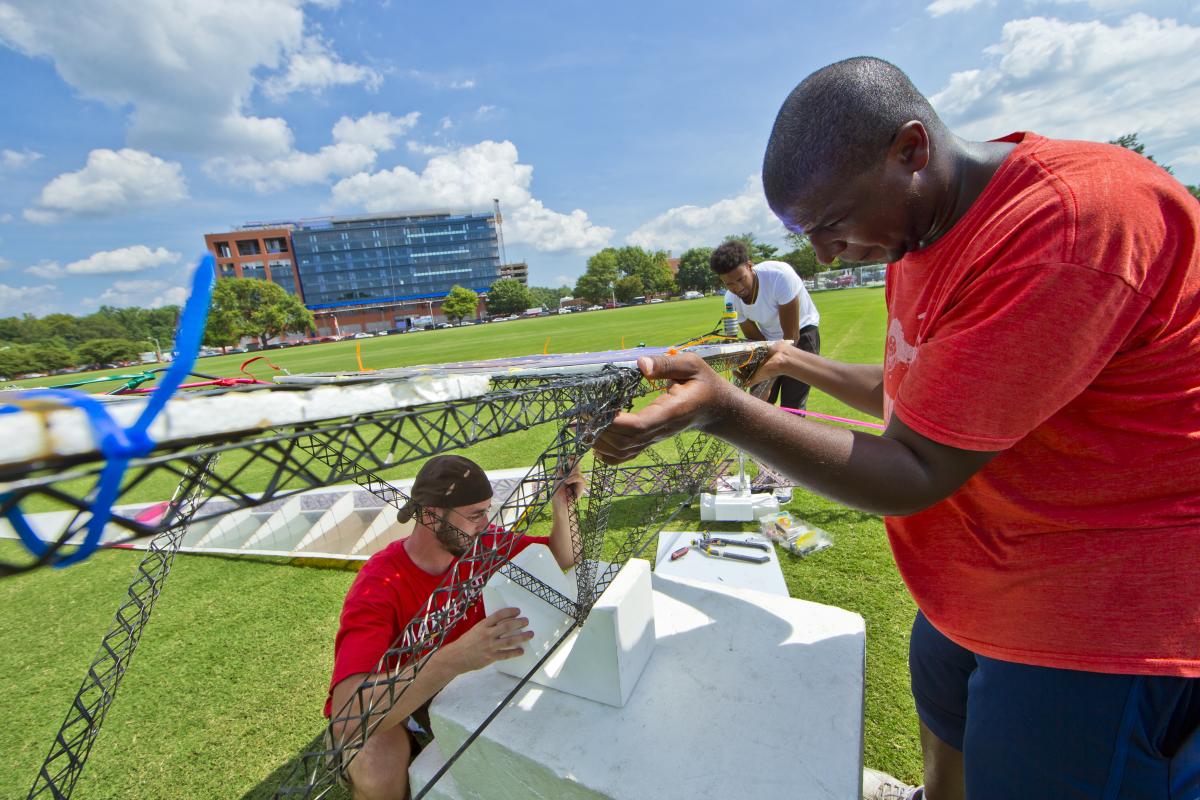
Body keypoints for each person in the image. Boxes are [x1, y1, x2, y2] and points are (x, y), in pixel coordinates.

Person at [592, 56, 1200, 800]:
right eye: (804, 232)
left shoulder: (1069, 224)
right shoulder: (919, 228)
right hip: (977, 578)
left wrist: (725, 408)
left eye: (831, 225)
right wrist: (792, 362)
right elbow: (909, 391)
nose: (819, 255)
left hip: (1097, 613)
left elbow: (914, 468)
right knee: (945, 743)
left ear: (911, 149)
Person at [324, 454, 585, 800]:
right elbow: (348, 717)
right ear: (431, 515)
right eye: (475, 514)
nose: (486, 522)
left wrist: (562, 503)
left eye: (486, 511)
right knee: (377, 771)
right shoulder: (379, 585)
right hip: (398, 701)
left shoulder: (482, 543)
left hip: (463, 693)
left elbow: (563, 557)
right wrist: (456, 658)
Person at [710, 239, 822, 411]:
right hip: (768, 342)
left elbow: (791, 337)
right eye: (729, 284)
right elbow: (754, 338)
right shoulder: (731, 300)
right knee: (758, 405)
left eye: (741, 279)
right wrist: (761, 376)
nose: (737, 288)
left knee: (792, 406)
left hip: (802, 333)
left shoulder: (779, 276)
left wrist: (770, 375)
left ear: (749, 266)